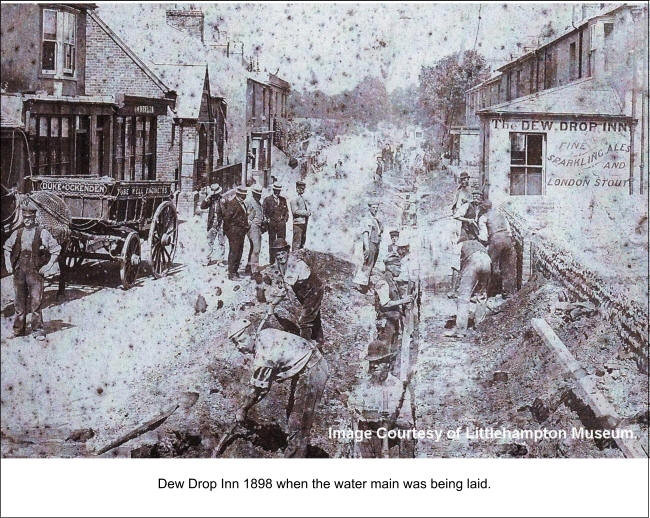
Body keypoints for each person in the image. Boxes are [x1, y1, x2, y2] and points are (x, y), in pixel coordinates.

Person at [227, 318, 329, 458]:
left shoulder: (264, 355)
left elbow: (259, 390)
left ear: (250, 333)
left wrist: (243, 409)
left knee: (298, 424)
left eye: (240, 340)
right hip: (308, 365)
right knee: (294, 418)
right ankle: (295, 450)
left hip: (313, 369)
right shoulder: (264, 334)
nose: (239, 346)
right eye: (235, 343)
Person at [3, 200, 61, 340]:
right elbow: (6, 248)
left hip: (35, 271)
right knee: (19, 302)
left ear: (34, 218)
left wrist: (49, 265)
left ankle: (38, 331)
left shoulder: (43, 233)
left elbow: (56, 249)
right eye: (25, 218)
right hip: (19, 270)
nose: (27, 221)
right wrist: (8, 264)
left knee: (36, 302)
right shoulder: (17, 233)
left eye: (30, 218)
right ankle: (18, 330)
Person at [348, 339, 415, 458]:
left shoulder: (399, 387)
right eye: (371, 362)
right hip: (367, 443)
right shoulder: (364, 387)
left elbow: (407, 422)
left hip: (390, 443)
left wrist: (391, 423)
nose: (374, 365)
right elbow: (355, 411)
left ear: (388, 363)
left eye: (378, 362)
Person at [266, 238, 324, 343]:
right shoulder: (280, 263)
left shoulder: (293, 264)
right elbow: (281, 284)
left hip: (313, 289)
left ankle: (304, 347)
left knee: (304, 321)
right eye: (277, 254)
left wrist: (272, 305)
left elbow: (284, 290)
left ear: (287, 252)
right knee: (313, 316)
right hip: (302, 290)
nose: (280, 256)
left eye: (282, 253)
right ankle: (319, 340)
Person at [445, 238, 491, 338]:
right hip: (487, 261)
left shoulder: (459, 246)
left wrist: (453, 290)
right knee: (481, 295)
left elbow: (455, 270)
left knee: (463, 298)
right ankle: (479, 325)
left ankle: (460, 330)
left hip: (473, 262)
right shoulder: (478, 244)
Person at [373, 254, 413, 355]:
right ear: (390, 267)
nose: (400, 270)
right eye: (398, 266)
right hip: (386, 323)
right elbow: (385, 303)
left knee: (392, 351)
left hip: (393, 321)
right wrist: (403, 301)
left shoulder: (392, 282)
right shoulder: (382, 282)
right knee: (383, 351)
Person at [478, 199, 517, 297]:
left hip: (495, 241)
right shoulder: (501, 215)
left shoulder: (483, 217)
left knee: (489, 266)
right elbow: (509, 231)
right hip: (508, 240)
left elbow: (483, 236)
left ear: (483, 208)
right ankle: (508, 292)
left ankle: (486, 292)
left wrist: (482, 243)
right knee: (508, 267)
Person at [353, 201, 384, 293]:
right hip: (370, 243)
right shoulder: (367, 219)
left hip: (376, 244)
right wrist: (367, 247)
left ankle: (365, 285)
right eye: (374, 207)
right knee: (367, 264)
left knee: (372, 265)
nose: (375, 209)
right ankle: (362, 286)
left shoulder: (376, 220)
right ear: (369, 208)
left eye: (377, 207)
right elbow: (366, 234)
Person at [221, 186, 249, 280]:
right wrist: (230, 231)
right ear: (237, 194)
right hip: (234, 232)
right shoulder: (233, 204)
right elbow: (227, 219)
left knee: (239, 252)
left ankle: (235, 271)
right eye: (242, 196)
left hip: (240, 232)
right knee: (234, 252)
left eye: (245, 196)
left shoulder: (241, 203)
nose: (244, 197)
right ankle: (231, 273)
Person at [263, 183, 289, 264]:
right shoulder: (267, 200)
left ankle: (282, 262)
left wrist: (284, 220)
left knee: (282, 243)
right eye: (276, 190)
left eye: (279, 190)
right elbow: (264, 212)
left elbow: (286, 212)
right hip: (272, 225)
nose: (277, 192)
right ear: (273, 190)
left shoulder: (283, 200)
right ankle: (272, 262)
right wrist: (268, 220)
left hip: (281, 225)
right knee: (272, 244)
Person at [199, 183, 224, 266]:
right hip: (212, 224)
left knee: (221, 243)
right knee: (209, 242)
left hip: (221, 224)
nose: (215, 196)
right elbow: (202, 207)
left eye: (216, 194)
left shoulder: (223, 200)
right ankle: (207, 259)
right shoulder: (211, 200)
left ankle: (220, 260)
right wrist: (207, 197)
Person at [245, 185, 265, 276]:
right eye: (257, 194)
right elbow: (246, 216)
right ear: (253, 193)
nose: (259, 196)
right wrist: (251, 222)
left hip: (258, 227)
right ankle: (255, 271)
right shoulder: (249, 202)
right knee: (256, 249)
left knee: (254, 248)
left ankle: (249, 267)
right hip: (253, 228)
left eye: (260, 194)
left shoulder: (258, 202)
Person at [290, 180, 311, 251]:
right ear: (297, 188)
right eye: (301, 188)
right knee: (297, 242)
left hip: (303, 222)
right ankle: (294, 258)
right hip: (298, 223)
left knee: (302, 241)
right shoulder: (294, 198)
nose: (303, 190)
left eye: (303, 189)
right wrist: (306, 213)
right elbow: (295, 211)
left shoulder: (302, 198)